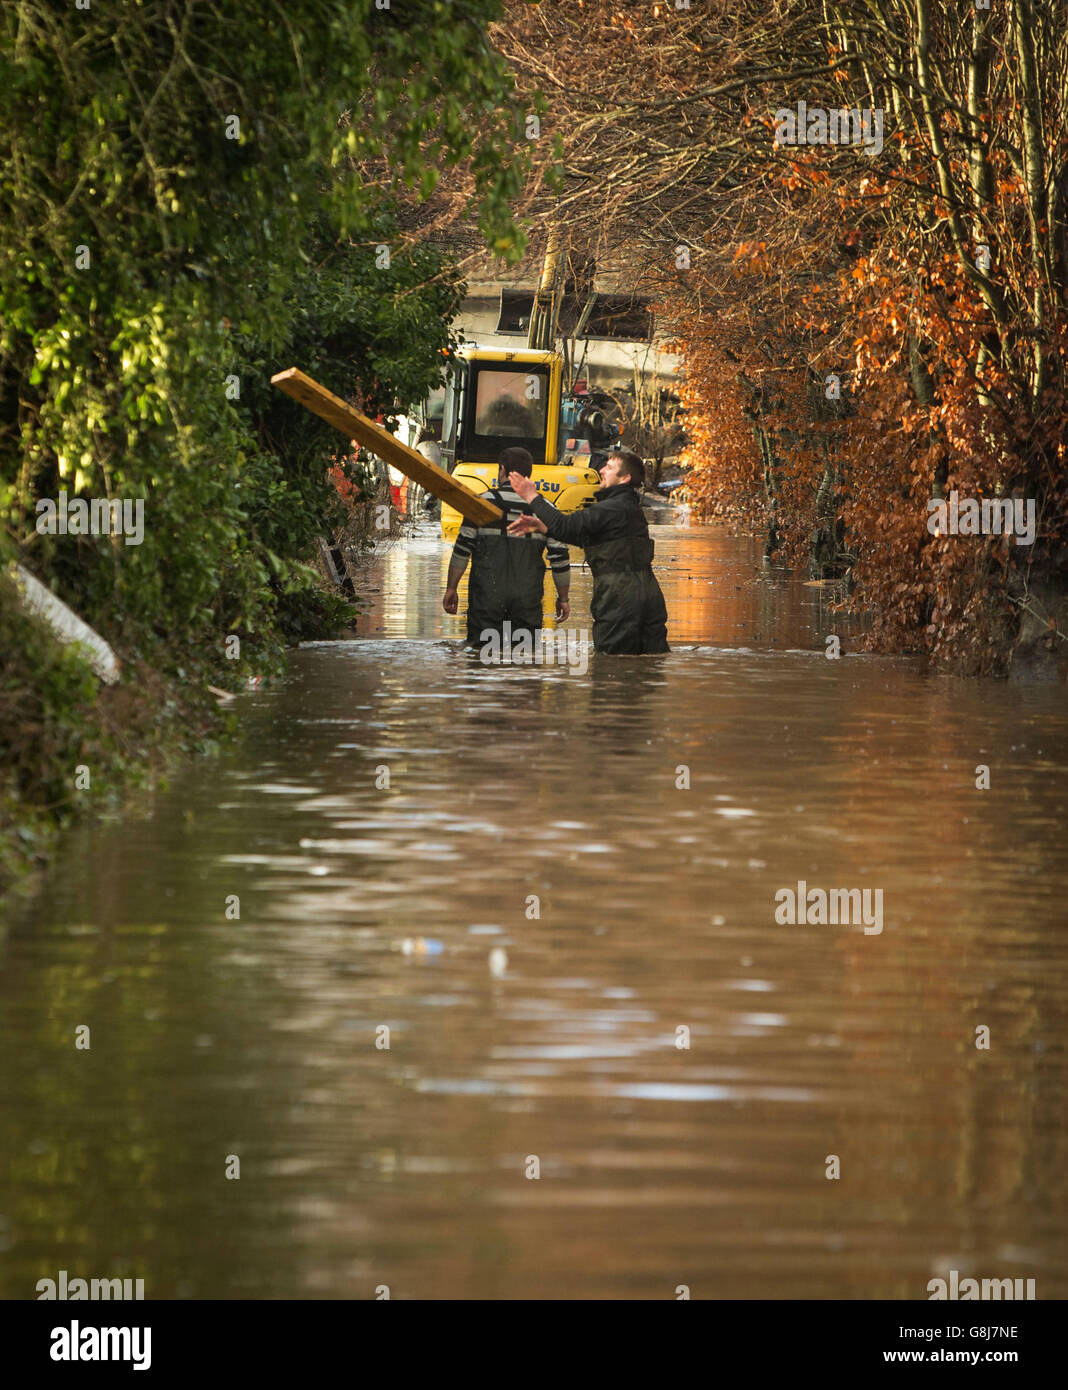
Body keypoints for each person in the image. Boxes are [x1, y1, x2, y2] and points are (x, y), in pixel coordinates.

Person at [506, 447, 669, 654]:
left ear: (624, 478)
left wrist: (531, 496)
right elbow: (597, 542)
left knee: (610, 668)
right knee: (651, 664)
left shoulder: (610, 508)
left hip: (619, 599)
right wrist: (543, 527)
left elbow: (565, 525)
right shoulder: (630, 509)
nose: (601, 470)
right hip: (649, 596)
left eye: (609, 468)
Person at [443, 446, 571, 646]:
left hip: (486, 600)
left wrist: (451, 588)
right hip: (527, 601)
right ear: (529, 474)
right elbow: (560, 558)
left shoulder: (480, 505)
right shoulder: (546, 510)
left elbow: (461, 550)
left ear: (502, 470)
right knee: (524, 660)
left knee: (481, 658)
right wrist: (563, 598)